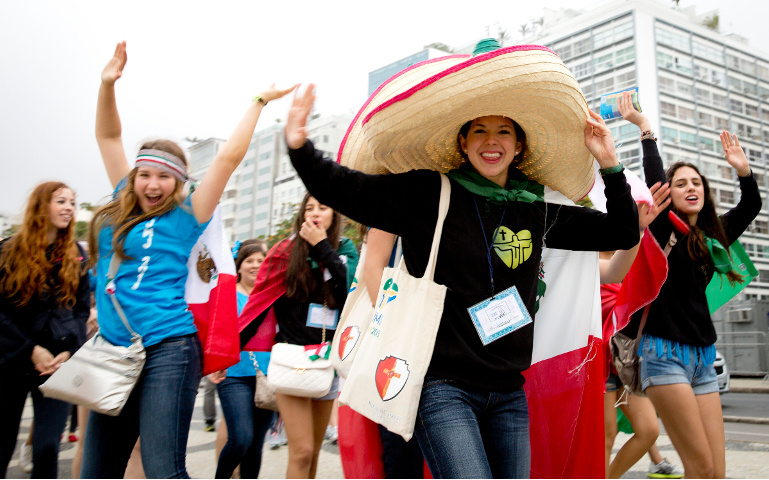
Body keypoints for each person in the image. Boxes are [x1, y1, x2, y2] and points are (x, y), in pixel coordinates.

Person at [279, 41, 641, 477]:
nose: (492, 141)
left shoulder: (535, 208)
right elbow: (350, 189)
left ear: (519, 144)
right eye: (480, 130)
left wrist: (609, 164)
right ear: (463, 142)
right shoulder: (428, 193)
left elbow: (621, 231)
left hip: (509, 391)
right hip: (442, 388)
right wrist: (301, 149)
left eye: (503, 131)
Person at [80, 41, 295, 478]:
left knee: (163, 470)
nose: (152, 184)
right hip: (116, 348)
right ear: (134, 177)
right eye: (145, 174)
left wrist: (257, 102)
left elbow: (229, 158)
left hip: (169, 349)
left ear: (178, 183)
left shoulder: (187, 215)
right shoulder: (121, 203)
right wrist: (107, 85)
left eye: (164, 176)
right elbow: (107, 136)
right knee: (96, 470)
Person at [618, 92, 761, 478]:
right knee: (698, 466)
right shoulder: (665, 227)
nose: (689, 187)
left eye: (696, 182)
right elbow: (653, 175)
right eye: (680, 183)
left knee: (716, 472)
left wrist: (743, 172)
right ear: (669, 193)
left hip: (703, 357)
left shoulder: (713, 236)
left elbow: (750, 207)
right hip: (663, 354)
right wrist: (645, 130)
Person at [239, 193, 359, 478]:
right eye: (309, 208)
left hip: (327, 361)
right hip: (291, 358)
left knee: (314, 453)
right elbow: (258, 304)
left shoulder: (346, 249)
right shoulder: (284, 251)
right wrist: (229, 350)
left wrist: (322, 249)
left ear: (334, 215)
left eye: (323, 206)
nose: (315, 213)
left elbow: (351, 292)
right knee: (302, 451)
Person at [0, 181, 90, 478]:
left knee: (48, 447)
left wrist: (68, 350)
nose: (69, 208)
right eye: (61, 201)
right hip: (11, 361)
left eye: (72, 203)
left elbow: (80, 310)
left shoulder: (76, 254)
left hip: (57, 365)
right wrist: (30, 350)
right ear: (42, 207)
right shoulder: (9, 251)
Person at [209, 239, 275, 479]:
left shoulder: (273, 293)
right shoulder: (225, 293)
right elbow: (215, 331)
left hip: (266, 376)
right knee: (241, 438)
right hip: (232, 374)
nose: (255, 265)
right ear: (239, 265)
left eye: (261, 260)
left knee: (255, 445)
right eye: (249, 261)